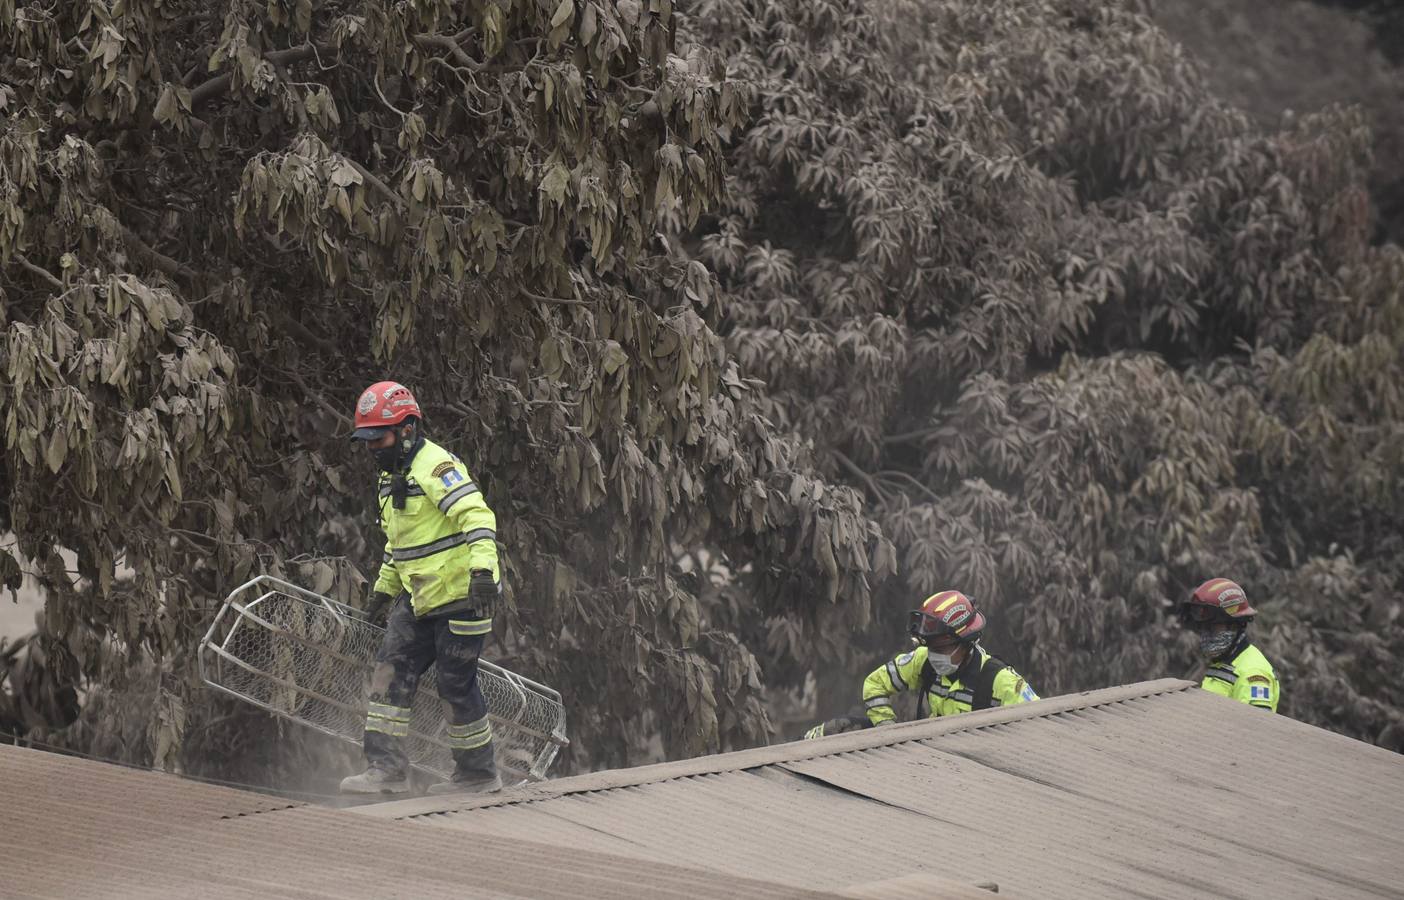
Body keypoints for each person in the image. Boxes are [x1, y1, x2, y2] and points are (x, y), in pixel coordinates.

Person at [339, 381, 504, 795]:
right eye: (368, 440)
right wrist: (381, 591)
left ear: (408, 429)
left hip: (464, 597)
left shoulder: (435, 467)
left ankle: (478, 775)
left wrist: (483, 573)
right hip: (419, 598)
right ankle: (385, 770)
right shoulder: (390, 476)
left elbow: (477, 516)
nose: (374, 447)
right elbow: (401, 545)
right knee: (389, 674)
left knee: (455, 683)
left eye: (381, 437)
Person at [804, 590, 1038, 738]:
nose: (933, 655)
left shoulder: (1001, 681)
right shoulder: (923, 659)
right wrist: (887, 730)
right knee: (841, 729)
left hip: (976, 774)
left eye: (940, 649)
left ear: (965, 643)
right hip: (929, 759)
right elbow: (874, 684)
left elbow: (1040, 725)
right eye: (930, 647)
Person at [1179, 578, 1279, 712]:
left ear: (1235, 624)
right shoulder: (1224, 662)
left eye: (1212, 627)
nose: (1206, 635)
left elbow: (1255, 727)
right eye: (1202, 628)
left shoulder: (1253, 673)